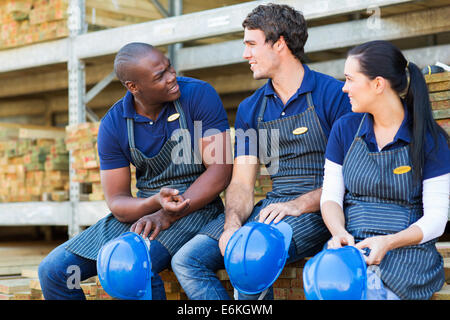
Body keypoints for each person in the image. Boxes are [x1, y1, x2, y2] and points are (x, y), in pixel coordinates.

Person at [171, 4, 352, 300]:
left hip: (320, 210)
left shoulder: (332, 95)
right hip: (271, 209)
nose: (245, 55)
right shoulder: (251, 108)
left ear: (279, 44)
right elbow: (242, 183)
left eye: (251, 44)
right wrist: (232, 225)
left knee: (253, 257)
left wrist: (298, 204)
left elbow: (351, 178)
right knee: (187, 259)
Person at [38, 43, 233, 300]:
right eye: (159, 76)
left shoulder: (198, 95)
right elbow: (118, 202)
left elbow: (220, 171)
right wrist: (153, 203)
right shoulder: (114, 124)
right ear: (133, 86)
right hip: (145, 212)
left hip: (197, 206)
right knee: (54, 270)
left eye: (169, 67)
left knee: (133, 266)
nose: (171, 77)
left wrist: (166, 214)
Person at [320, 40, 450, 300]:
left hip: (408, 255)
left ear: (378, 84)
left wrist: (388, 242)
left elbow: (437, 219)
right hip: (351, 247)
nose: (344, 88)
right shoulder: (345, 129)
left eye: (349, 79)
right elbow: (330, 197)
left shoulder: (430, 140)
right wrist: (339, 234)